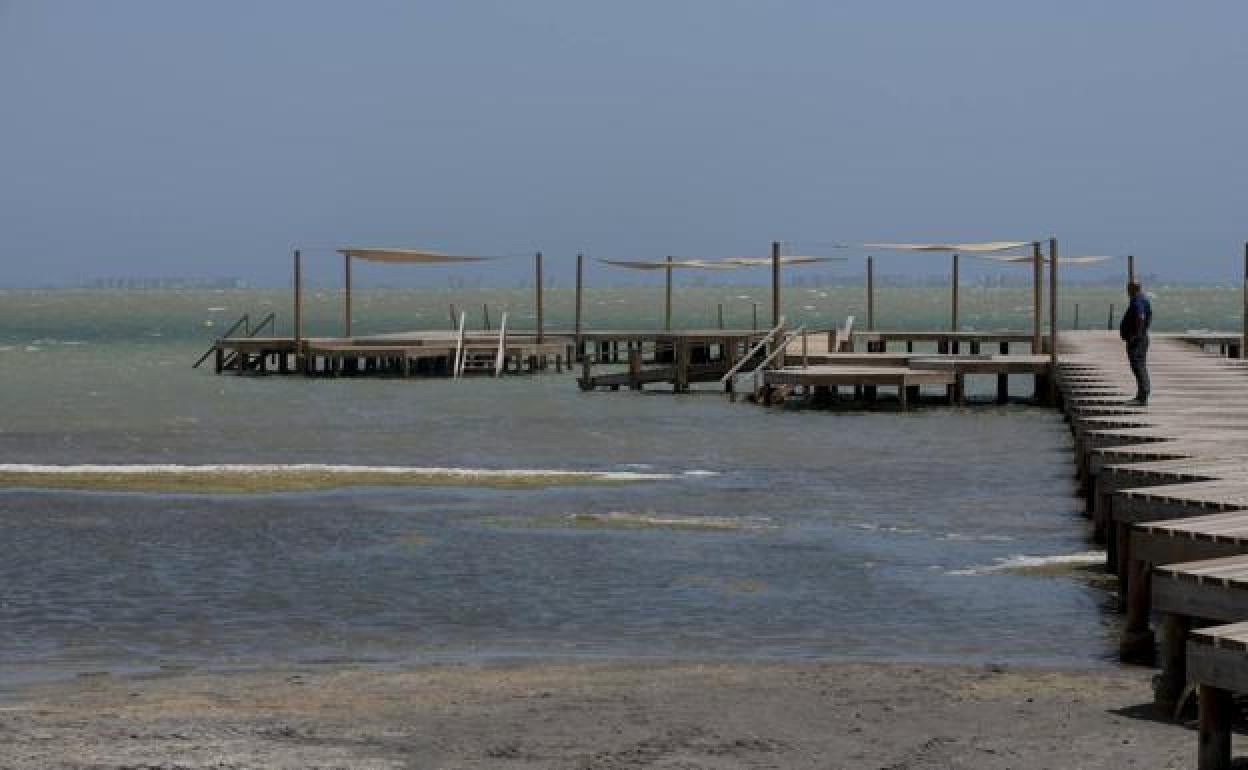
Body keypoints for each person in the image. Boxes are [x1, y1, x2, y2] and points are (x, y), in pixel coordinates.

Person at [1119, 281, 1152, 405]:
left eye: (1128, 289)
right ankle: (1142, 394)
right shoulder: (1141, 299)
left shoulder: (1137, 300)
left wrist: (1135, 335)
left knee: (1138, 366)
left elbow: (1141, 316)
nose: (1127, 291)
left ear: (1132, 289)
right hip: (1140, 338)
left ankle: (1142, 396)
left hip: (1138, 340)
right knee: (1139, 365)